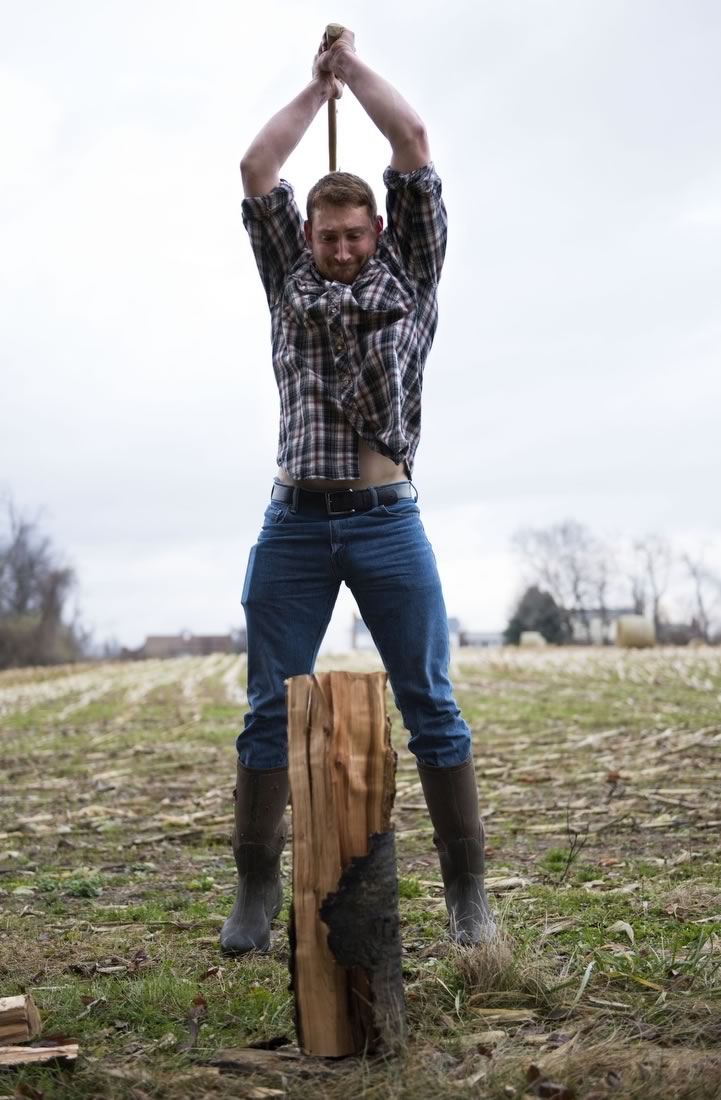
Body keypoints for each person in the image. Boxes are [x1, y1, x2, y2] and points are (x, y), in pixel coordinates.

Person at [220, 28, 495, 955]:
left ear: (376, 232)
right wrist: (312, 90)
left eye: (351, 234)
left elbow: (411, 139)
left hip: (385, 524)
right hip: (293, 523)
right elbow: (259, 163)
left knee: (432, 707)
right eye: (325, 235)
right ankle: (256, 885)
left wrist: (355, 73)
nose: (338, 248)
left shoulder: (410, 276)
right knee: (267, 705)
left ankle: (467, 893)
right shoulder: (286, 278)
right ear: (308, 238)